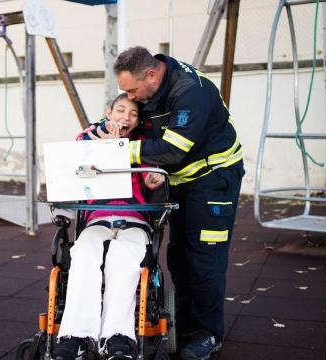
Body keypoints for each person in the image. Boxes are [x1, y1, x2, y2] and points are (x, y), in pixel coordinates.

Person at [105, 46, 245, 360]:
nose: (130, 97)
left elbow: (172, 150)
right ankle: (183, 324)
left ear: (151, 75)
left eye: (131, 90)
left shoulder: (191, 93)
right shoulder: (150, 90)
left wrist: (117, 152)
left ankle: (207, 333)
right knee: (179, 255)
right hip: (180, 181)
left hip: (214, 179)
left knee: (204, 257)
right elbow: (135, 130)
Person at [53, 94, 152, 360]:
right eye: (120, 110)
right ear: (108, 111)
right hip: (97, 218)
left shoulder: (142, 143)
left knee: (123, 256)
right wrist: (106, 150)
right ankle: (76, 335)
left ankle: (116, 337)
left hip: (135, 217)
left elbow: (153, 179)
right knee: (83, 253)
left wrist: (152, 177)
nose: (126, 118)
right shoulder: (87, 138)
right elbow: (71, 169)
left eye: (133, 114)